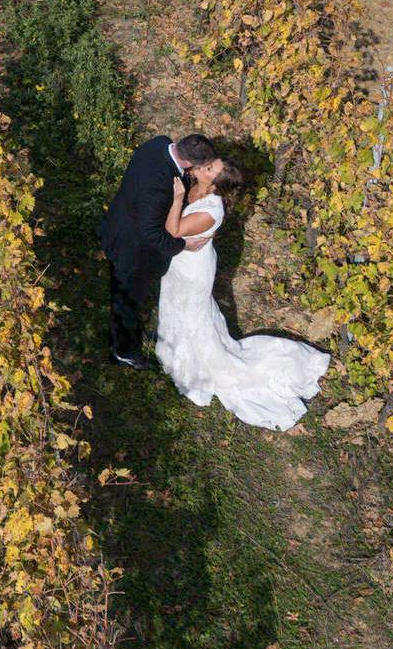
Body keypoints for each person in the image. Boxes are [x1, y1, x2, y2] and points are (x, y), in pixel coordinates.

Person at [155, 158, 330, 431]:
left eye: (209, 168)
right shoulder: (195, 186)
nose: (203, 166)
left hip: (193, 271)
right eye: (208, 164)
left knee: (192, 316)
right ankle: (172, 348)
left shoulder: (212, 210)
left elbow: (173, 231)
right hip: (180, 262)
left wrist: (177, 200)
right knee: (174, 306)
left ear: (214, 183)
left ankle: (197, 366)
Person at [97, 131, 217, 367]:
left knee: (131, 298)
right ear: (189, 163)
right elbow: (152, 234)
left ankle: (131, 337)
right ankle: (123, 352)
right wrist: (184, 245)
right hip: (132, 248)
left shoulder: (160, 143)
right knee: (127, 300)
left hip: (123, 220)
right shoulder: (157, 186)